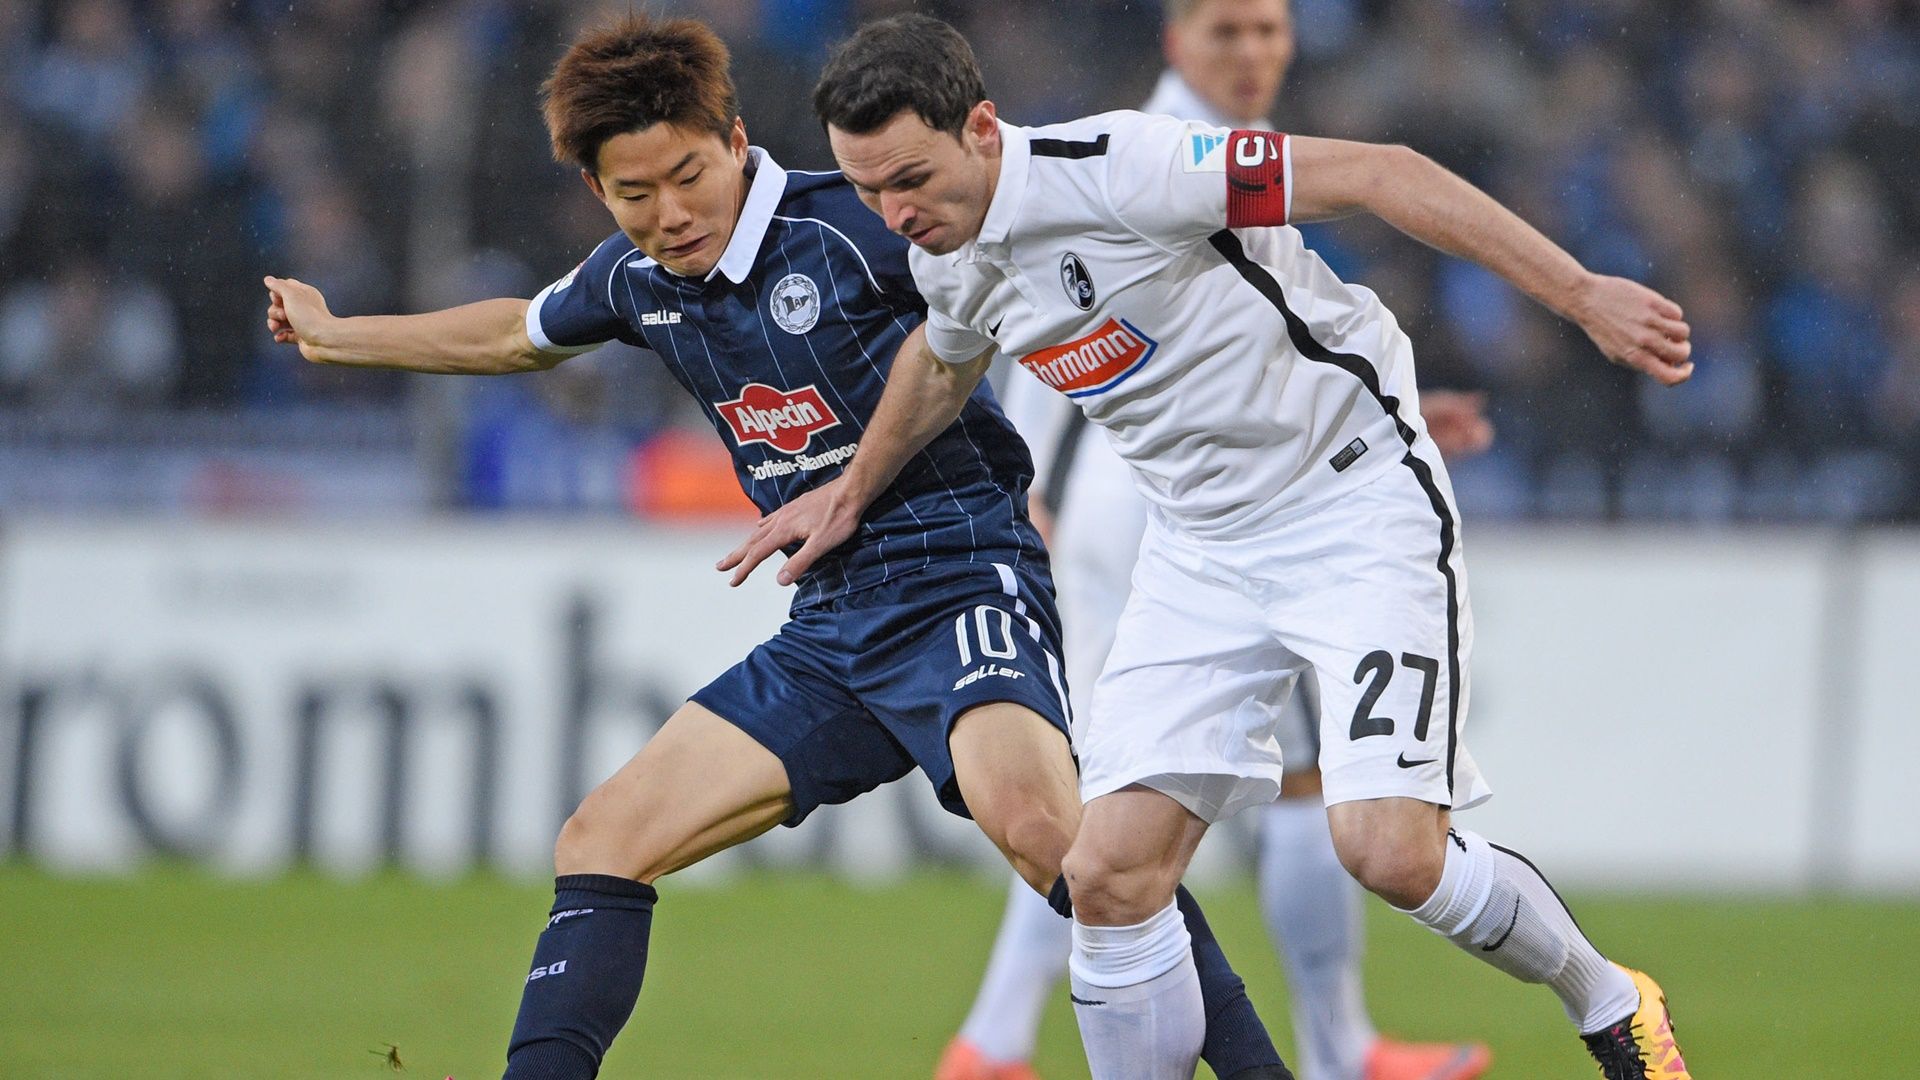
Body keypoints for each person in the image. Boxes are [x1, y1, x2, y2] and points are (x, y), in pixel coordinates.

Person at [262, 15, 1296, 1080]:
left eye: (688, 175)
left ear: (737, 139)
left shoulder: (855, 223)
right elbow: (517, 331)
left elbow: (1011, 276)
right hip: (832, 626)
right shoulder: (635, 278)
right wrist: (341, 334)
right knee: (602, 840)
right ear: (596, 194)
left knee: (1059, 844)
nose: (668, 214)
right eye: (634, 194)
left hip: (959, 575)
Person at [734, 13, 1696, 1080]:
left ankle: (1611, 1001)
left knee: (1386, 848)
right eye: (867, 191)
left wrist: (1580, 294)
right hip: (1198, 549)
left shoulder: (1131, 171)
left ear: (984, 128)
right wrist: (853, 489)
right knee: (1107, 875)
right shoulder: (953, 255)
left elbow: (1380, 172)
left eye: (909, 177)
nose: (895, 213)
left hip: (1352, 504)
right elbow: (944, 357)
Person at [939, 3, 1493, 1078]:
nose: (1254, 53)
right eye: (1227, 31)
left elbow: (1248, 326)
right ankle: (1326, 1049)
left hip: (1198, 494)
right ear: (1173, 41)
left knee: (1163, 796)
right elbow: (1039, 315)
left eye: (1270, 30)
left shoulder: (1221, 154)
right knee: (1172, 803)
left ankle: (1001, 1040)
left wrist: (1393, 408)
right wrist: (1027, 487)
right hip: (1169, 510)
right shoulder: (1148, 147)